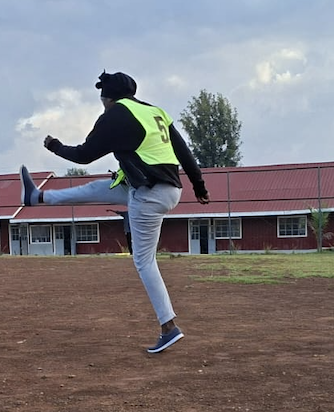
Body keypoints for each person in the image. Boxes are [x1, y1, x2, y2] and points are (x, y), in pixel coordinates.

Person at [24, 71, 208, 354]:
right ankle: (38, 197)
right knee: (100, 187)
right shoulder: (153, 111)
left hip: (149, 194)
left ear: (106, 98)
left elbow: (84, 154)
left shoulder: (116, 114)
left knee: (144, 262)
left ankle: (168, 327)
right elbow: (183, 152)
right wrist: (199, 185)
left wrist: (55, 146)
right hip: (161, 187)